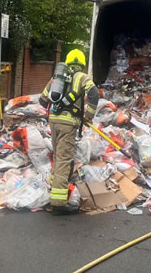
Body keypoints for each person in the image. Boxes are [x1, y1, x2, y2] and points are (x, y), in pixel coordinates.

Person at [39, 49, 99, 215]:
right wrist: (89, 116)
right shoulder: (82, 77)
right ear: (82, 63)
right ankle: (58, 204)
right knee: (64, 160)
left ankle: (52, 192)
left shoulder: (57, 78)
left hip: (53, 122)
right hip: (68, 124)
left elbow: (42, 100)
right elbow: (94, 93)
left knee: (58, 157)